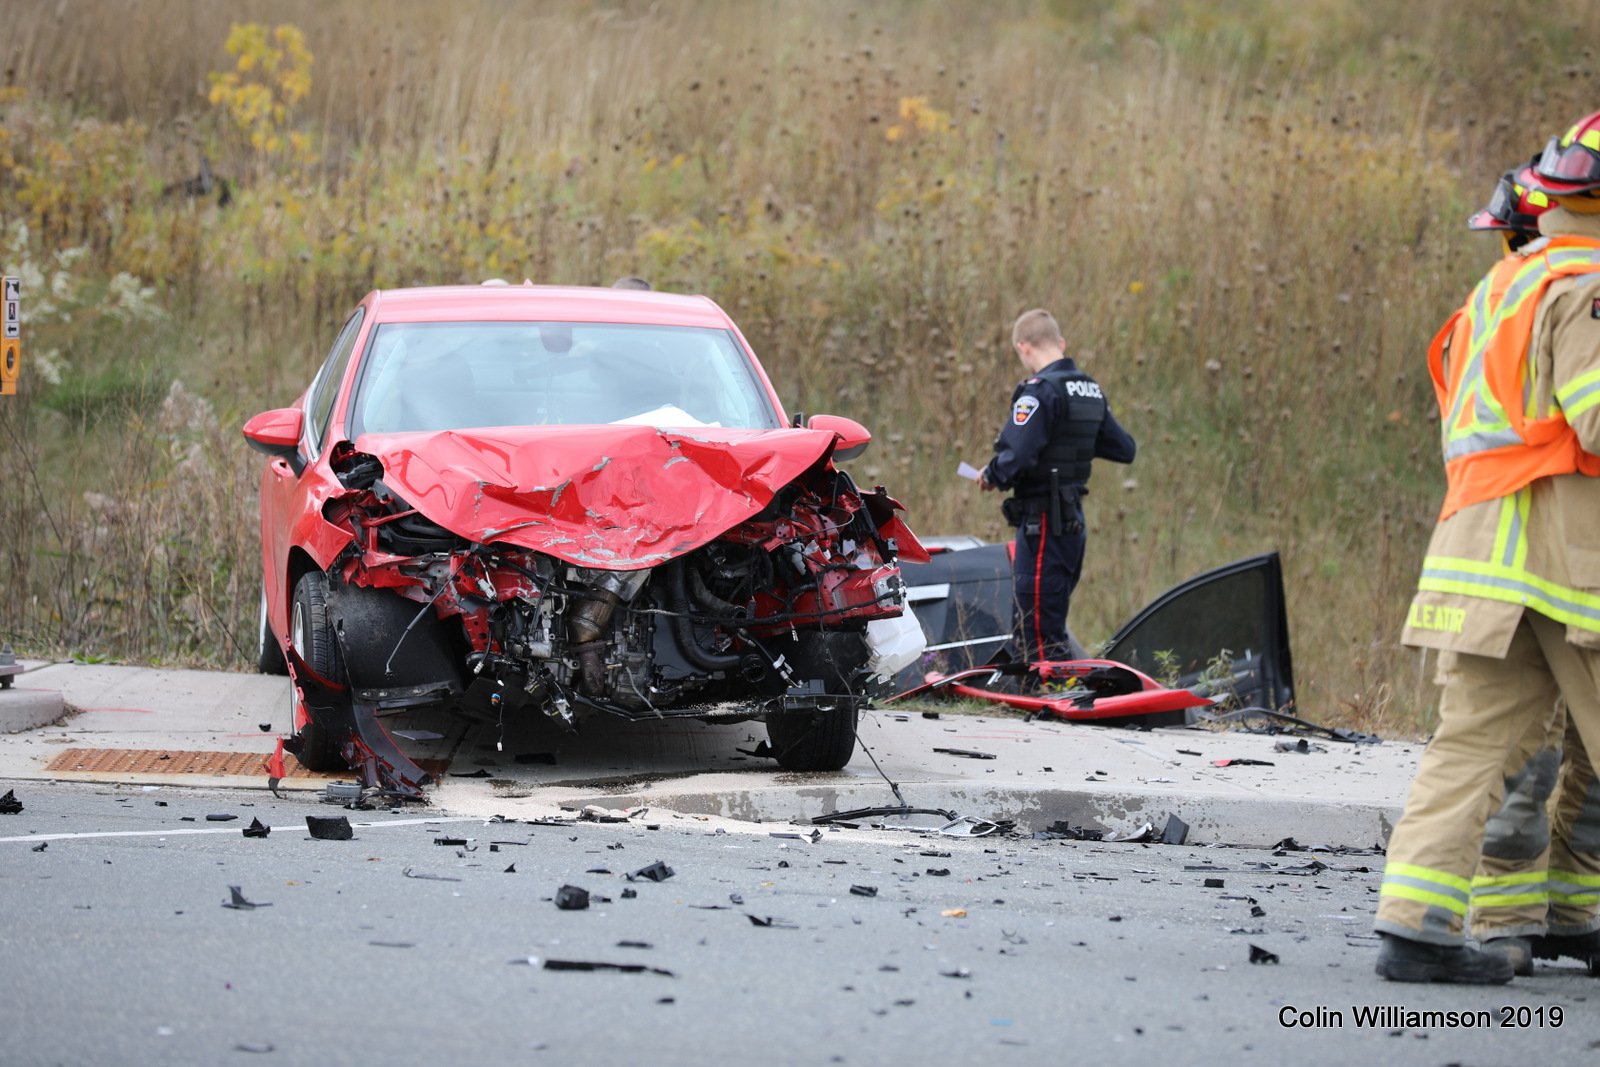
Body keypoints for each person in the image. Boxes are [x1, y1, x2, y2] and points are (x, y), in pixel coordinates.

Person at [1374, 111, 1600, 984]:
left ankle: (1418, 925)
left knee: (1472, 744)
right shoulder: (1587, 285)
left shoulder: (1507, 284)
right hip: (1568, 563)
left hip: (1482, 556)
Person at [1452, 159, 1599, 976]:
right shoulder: (1559, 300)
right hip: (1552, 561)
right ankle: (1517, 912)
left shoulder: (1511, 301)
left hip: (1515, 560)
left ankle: (1561, 913)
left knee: (1557, 752)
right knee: (1531, 749)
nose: (1514, 250)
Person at [978, 308, 1135, 664]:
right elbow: (1124, 448)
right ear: (1060, 343)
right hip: (1073, 524)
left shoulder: (1039, 392)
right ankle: (1052, 685)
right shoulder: (1089, 390)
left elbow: (1016, 456)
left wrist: (990, 475)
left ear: (1024, 347)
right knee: (1052, 612)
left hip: (1044, 522)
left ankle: (1044, 692)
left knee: (1034, 618)